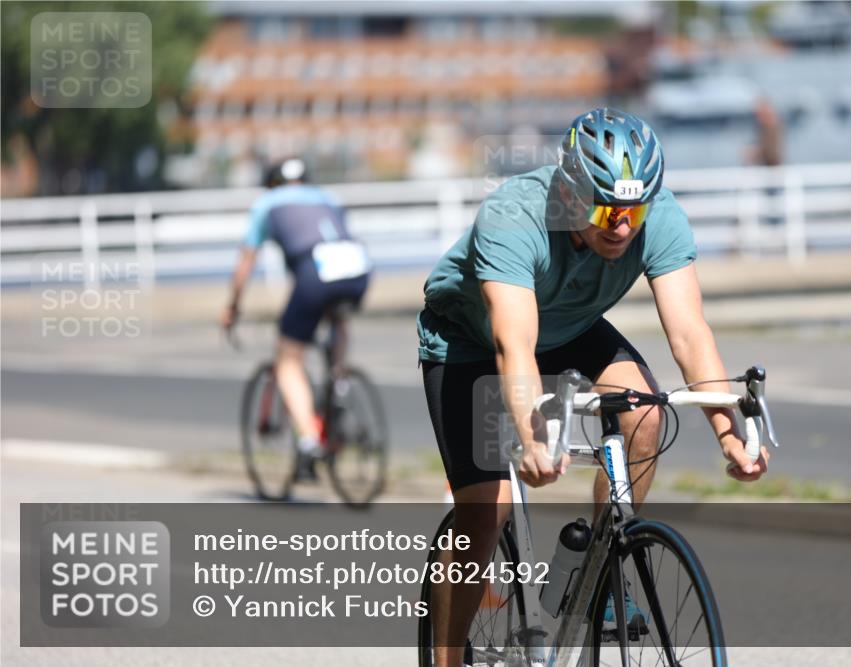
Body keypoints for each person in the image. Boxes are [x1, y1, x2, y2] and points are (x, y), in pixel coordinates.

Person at [417, 108, 770, 666]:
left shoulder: (659, 216)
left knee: (646, 416)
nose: (622, 225)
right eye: (606, 208)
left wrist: (729, 431)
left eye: (634, 209)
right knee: (487, 512)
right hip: (471, 342)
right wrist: (534, 435)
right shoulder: (515, 216)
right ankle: (447, 660)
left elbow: (687, 330)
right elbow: (514, 346)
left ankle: (602, 573)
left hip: (571, 327)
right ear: (569, 192)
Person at [221, 158, 371, 480]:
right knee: (337, 317)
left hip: (314, 271)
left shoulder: (266, 203)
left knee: (288, 358)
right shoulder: (326, 197)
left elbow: (246, 261)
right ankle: (339, 381)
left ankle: (308, 440)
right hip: (357, 266)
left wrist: (233, 306)